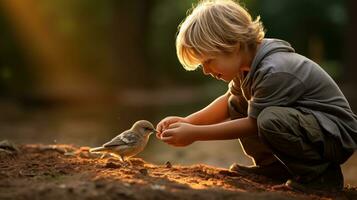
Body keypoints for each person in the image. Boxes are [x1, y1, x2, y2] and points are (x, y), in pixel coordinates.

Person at [155, 0, 357, 192]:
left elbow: (253, 123)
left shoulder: (274, 70)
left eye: (208, 61)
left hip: (334, 135)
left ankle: (321, 176)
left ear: (232, 45)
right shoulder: (244, 66)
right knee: (238, 104)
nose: (206, 71)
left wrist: (195, 134)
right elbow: (228, 103)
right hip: (309, 127)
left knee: (269, 120)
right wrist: (188, 122)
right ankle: (275, 168)